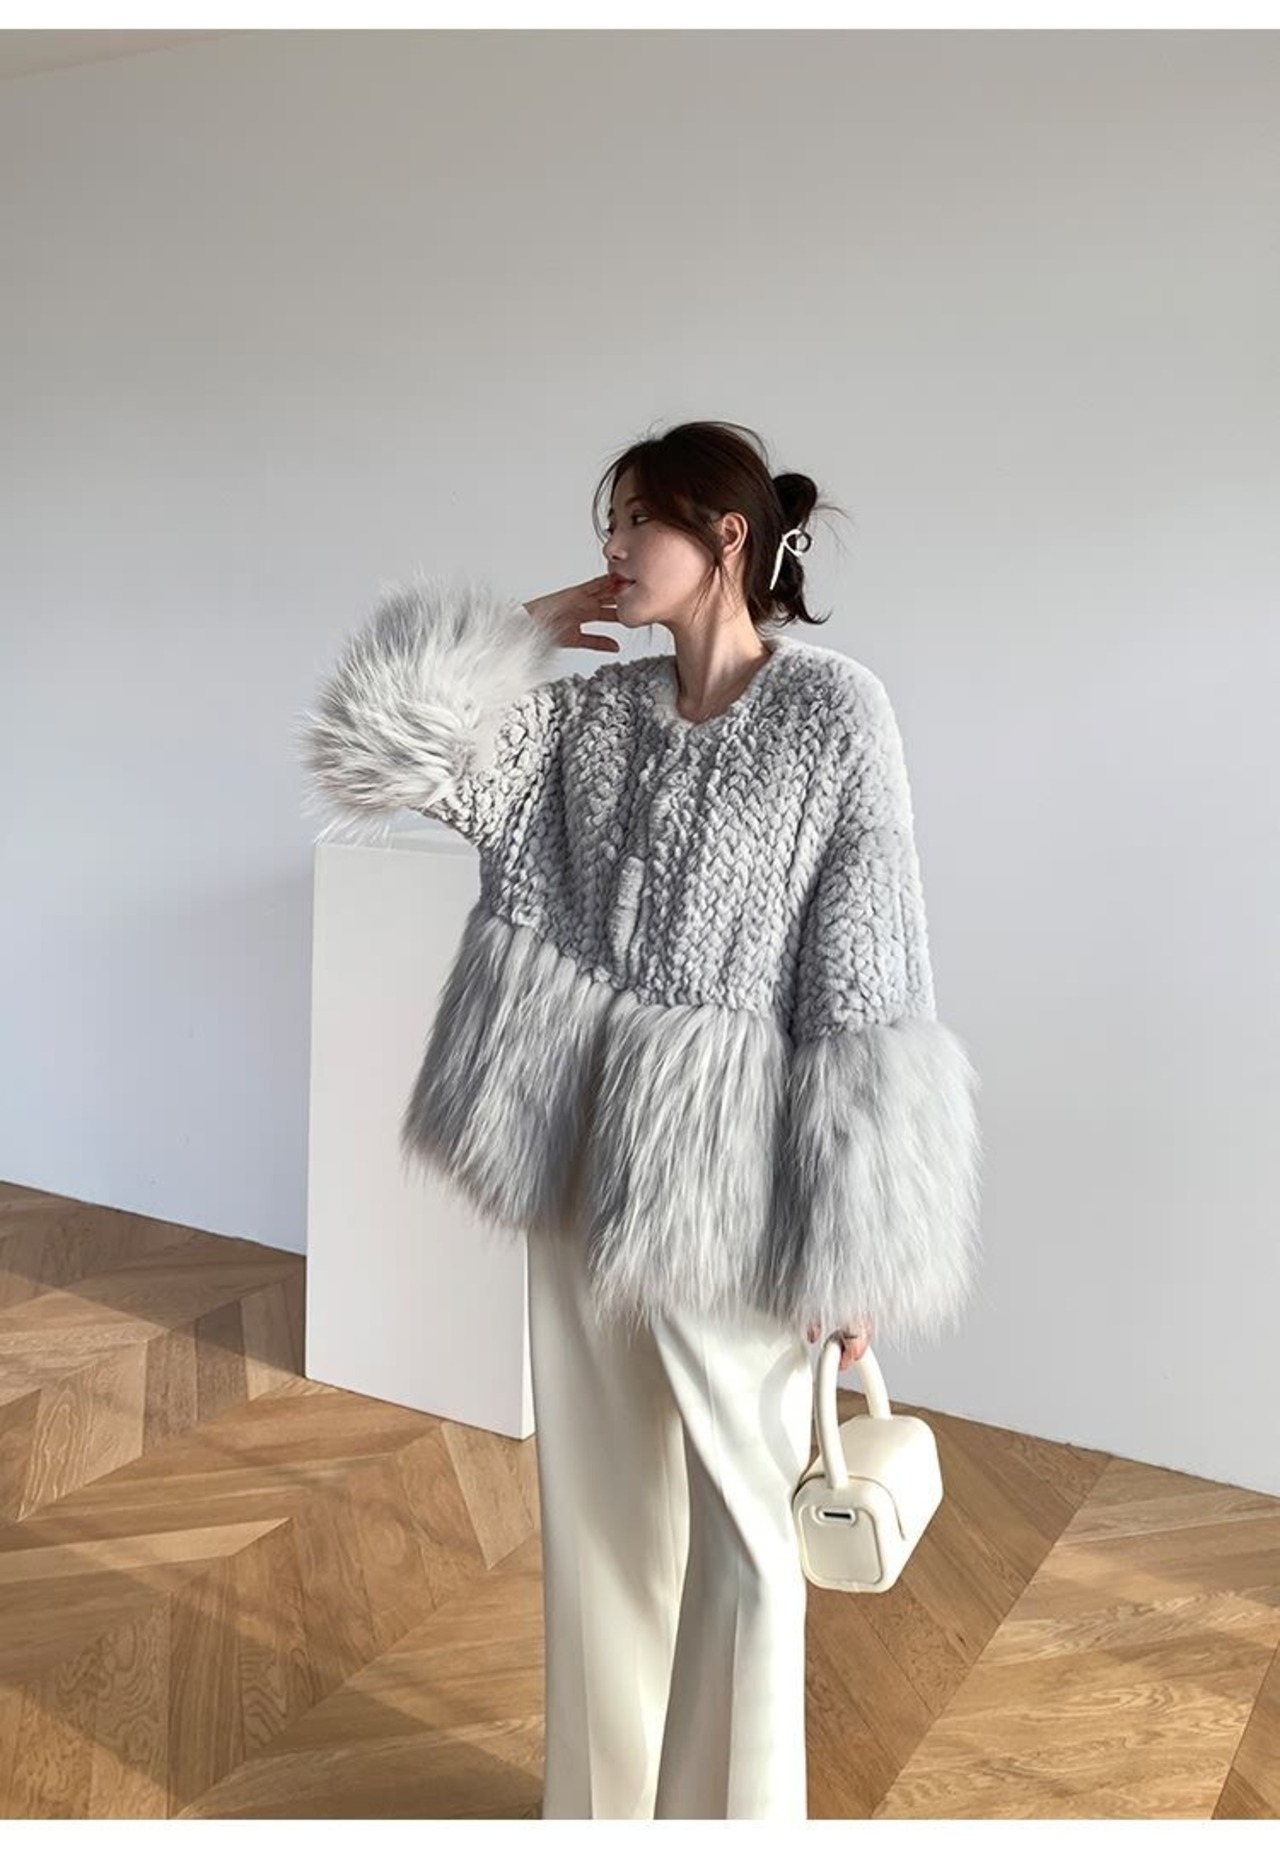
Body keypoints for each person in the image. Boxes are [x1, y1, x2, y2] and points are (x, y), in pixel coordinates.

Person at [295, 419, 983, 1821]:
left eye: (634, 523)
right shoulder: (590, 716)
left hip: (735, 1187)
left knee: (750, 1539)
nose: (611, 548)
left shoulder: (835, 714)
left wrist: (855, 1246)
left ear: (728, 536)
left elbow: (868, 981)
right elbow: (382, 751)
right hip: (578, 1165)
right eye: (605, 526)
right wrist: (524, 629)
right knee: (602, 1531)